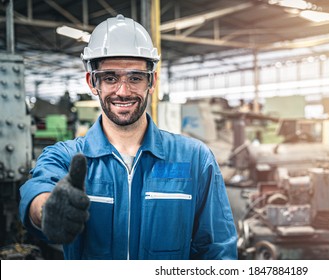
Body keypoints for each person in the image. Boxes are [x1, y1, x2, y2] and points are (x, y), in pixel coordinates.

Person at [19, 14, 237, 260]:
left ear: (151, 81)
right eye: (110, 77)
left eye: (135, 77)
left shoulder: (195, 158)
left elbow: (218, 250)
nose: (123, 91)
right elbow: (37, 191)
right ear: (93, 82)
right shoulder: (65, 157)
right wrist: (48, 210)